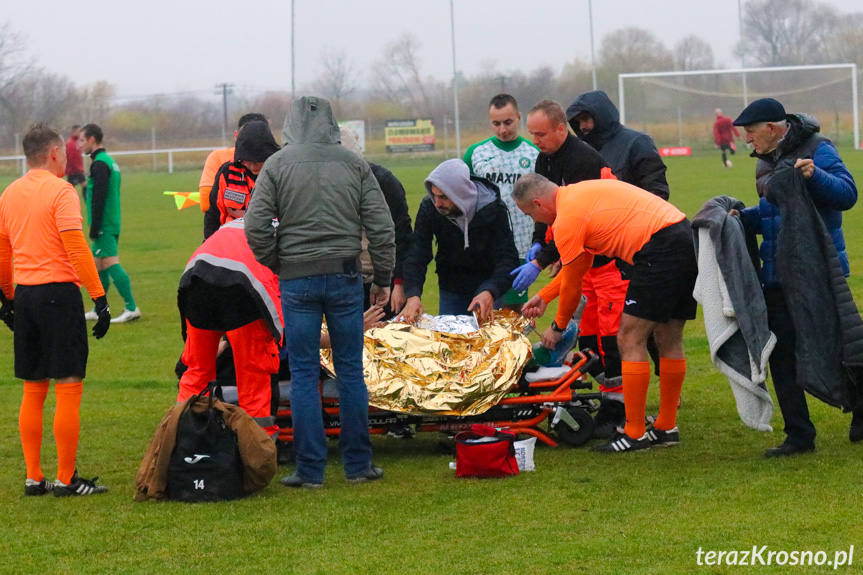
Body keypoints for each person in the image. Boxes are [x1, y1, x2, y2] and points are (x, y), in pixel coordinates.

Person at [245, 96, 395, 488]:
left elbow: (256, 226)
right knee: (349, 371)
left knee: (304, 373)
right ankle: (358, 465)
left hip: (297, 279)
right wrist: (382, 279)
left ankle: (310, 470)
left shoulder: (276, 165)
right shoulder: (355, 164)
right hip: (346, 277)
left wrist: (279, 262)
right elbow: (381, 228)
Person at [514, 173, 697, 453]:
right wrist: (544, 295)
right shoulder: (579, 195)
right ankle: (665, 427)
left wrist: (558, 326)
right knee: (668, 336)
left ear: (539, 204)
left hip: (658, 249)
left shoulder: (567, 219)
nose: (535, 222)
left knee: (629, 338)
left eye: (530, 214)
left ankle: (634, 434)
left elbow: (574, 283)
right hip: (683, 236)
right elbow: (582, 263)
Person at [731, 98, 860, 456]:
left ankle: (862, 411)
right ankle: (799, 435)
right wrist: (741, 219)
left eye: (751, 133)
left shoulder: (818, 148)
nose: (747, 141)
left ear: (772, 129)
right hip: (777, 274)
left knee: (840, 346)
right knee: (781, 353)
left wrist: (815, 175)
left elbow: (847, 194)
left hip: (820, 270)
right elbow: (773, 214)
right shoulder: (765, 160)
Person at [0, 124, 111, 496]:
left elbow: (4, 252)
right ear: (51, 154)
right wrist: (99, 296)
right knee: (67, 385)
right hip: (58, 295)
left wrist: (7, 297)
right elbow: (77, 248)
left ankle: (34, 477)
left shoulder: (10, 192)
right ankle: (66, 479)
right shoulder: (61, 191)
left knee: (33, 388)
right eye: (63, 152)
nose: (67, 158)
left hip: (27, 296)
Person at [565, 90, 671, 436]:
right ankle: (612, 398)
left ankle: (629, 407)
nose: (582, 126)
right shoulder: (579, 152)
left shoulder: (636, 144)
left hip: (626, 252)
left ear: (602, 114)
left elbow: (657, 194)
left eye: (587, 119)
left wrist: (621, 220)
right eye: (577, 122)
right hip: (590, 255)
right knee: (592, 333)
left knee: (625, 333)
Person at [177, 218, 283, 438]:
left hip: (195, 277)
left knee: (197, 370)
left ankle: (183, 440)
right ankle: (256, 452)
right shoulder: (291, 228)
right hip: (244, 287)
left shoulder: (236, 223)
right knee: (254, 374)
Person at [398, 158, 519, 323]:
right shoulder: (430, 207)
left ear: (461, 193)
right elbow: (417, 253)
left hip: (487, 288)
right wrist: (412, 294)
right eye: (434, 195)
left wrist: (490, 290)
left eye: (443, 197)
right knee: (451, 343)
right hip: (451, 288)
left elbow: (507, 257)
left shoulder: (493, 209)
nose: (437, 203)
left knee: (486, 345)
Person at [463, 94, 539, 313]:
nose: (502, 129)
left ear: (518, 117)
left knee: (512, 313)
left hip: (521, 245)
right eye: (496, 124)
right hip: (485, 246)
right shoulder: (476, 153)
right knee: (482, 310)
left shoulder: (534, 154)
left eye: (508, 122)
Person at [339, 126, 413, 316]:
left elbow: (402, 235)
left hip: (381, 282)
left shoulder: (384, 182)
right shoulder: (322, 186)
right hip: (341, 283)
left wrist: (399, 283)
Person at [79, 124, 140, 323]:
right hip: (112, 220)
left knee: (110, 262)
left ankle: (131, 307)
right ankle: (99, 309)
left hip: (105, 223)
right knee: (99, 266)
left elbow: (100, 198)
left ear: (92, 140)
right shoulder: (110, 162)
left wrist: (95, 226)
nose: (79, 145)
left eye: (82, 140)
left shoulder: (99, 164)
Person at [202, 120, 280, 240]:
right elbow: (213, 215)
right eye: (248, 160)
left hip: (271, 244)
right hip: (233, 244)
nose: (253, 166)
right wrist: (209, 245)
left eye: (258, 161)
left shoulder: (282, 173)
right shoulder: (226, 173)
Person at [198, 113, 268, 214]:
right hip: (230, 228)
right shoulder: (218, 157)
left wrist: (233, 208)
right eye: (246, 136)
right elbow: (206, 204)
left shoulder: (278, 160)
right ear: (236, 136)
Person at [64, 125, 85, 191]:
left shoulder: (76, 142)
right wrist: (78, 169)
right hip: (74, 171)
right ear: (74, 131)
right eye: (79, 131)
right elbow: (71, 158)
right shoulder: (70, 144)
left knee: (83, 186)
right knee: (83, 185)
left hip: (76, 170)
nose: (80, 133)